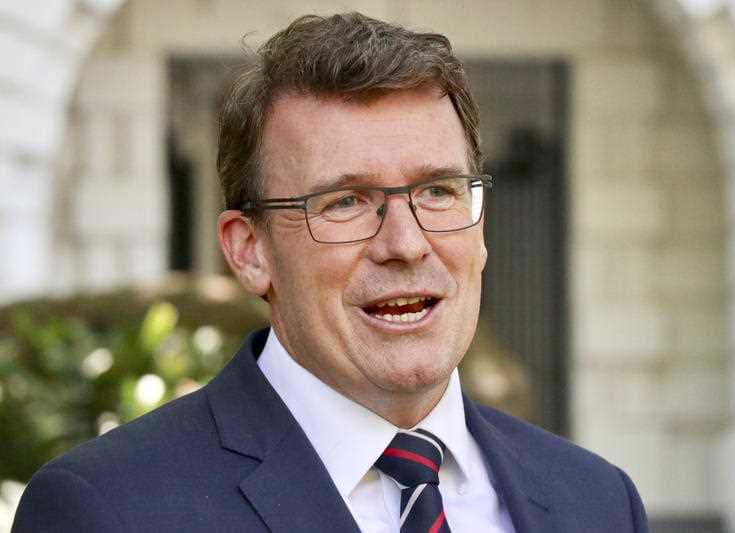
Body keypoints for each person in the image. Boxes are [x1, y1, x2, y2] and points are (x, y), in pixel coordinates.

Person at [13, 12, 649, 533]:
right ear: (249, 251)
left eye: (437, 191)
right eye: (345, 202)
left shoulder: (598, 502)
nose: (405, 244)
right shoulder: (109, 510)